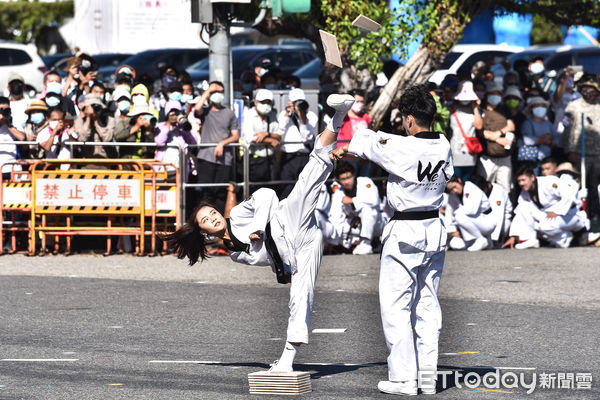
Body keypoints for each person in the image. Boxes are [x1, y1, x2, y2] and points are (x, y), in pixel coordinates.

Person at [159, 93, 356, 373]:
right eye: (206, 219)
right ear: (204, 232)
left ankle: (339, 114)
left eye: (212, 212)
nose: (214, 216)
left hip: (287, 218)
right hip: (302, 247)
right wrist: (282, 269)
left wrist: (257, 227)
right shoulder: (236, 255)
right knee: (300, 298)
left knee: (311, 172)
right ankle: (287, 361)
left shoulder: (238, 216)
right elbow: (271, 256)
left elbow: (266, 195)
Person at [331, 85, 453, 395]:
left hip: (405, 232)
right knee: (427, 305)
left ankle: (403, 379)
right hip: (433, 228)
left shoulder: (402, 146)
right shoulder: (443, 144)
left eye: (403, 119)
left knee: (396, 305)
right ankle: (427, 377)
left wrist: (341, 113)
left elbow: (363, 140)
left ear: (410, 120)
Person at [502, 166, 586, 249]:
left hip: (571, 215)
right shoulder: (524, 194)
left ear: (532, 177)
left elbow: (568, 193)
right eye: (519, 181)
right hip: (551, 218)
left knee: (544, 226)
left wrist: (558, 211)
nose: (521, 184)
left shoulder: (549, 182)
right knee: (525, 209)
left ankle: (564, 238)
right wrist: (513, 235)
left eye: (523, 180)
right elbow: (520, 214)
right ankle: (530, 239)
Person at [193, 81, 240, 213]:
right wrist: (208, 91)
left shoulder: (229, 113)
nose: (217, 95)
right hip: (206, 158)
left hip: (224, 159)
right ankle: (204, 222)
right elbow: (197, 109)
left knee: (220, 193)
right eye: (214, 92)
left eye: (219, 92)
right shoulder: (205, 112)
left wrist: (222, 143)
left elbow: (235, 135)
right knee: (206, 193)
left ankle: (217, 224)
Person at [563, 75, 600, 225]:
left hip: (598, 153)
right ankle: (581, 217)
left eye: (592, 89)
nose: (588, 92)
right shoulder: (573, 106)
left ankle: (596, 215)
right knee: (581, 186)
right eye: (585, 89)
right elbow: (567, 130)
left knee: (595, 186)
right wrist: (569, 149)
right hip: (580, 153)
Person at [329, 161, 383, 255]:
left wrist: (352, 200)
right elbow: (335, 216)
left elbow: (373, 201)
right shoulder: (339, 192)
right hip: (356, 223)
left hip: (377, 222)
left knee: (368, 210)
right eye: (343, 179)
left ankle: (366, 243)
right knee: (339, 224)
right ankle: (362, 244)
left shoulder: (365, 181)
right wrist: (334, 240)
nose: (347, 181)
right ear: (339, 180)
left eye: (349, 177)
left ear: (354, 175)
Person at [278, 88, 318, 198]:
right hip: (288, 155)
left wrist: (302, 118)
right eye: (296, 102)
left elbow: (307, 137)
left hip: (304, 155)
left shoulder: (311, 116)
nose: (298, 105)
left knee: (306, 186)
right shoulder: (283, 115)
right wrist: (288, 113)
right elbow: (280, 130)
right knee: (287, 187)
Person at [476, 81, 515, 192]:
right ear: (487, 94)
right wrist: (498, 139)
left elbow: (511, 126)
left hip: (504, 156)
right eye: (493, 93)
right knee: (484, 188)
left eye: (498, 94)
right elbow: (479, 131)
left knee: (505, 188)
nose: (496, 96)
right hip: (487, 157)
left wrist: (499, 133)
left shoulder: (504, 109)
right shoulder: (480, 109)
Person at [241, 88, 280, 186]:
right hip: (255, 159)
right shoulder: (249, 115)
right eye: (263, 102)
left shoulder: (272, 115)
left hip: (270, 158)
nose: (266, 105)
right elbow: (252, 138)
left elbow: (278, 135)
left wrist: (267, 134)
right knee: (255, 189)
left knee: (271, 187)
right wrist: (271, 140)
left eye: (269, 102)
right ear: (255, 103)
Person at [448, 80, 482, 180]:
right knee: (456, 182)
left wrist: (476, 108)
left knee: (467, 183)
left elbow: (479, 126)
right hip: (454, 154)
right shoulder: (450, 109)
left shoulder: (475, 111)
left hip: (470, 154)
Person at [154, 101, 197, 181]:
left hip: (180, 168)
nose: (174, 116)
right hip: (163, 168)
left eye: (177, 113)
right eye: (172, 114)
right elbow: (159, 142)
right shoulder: (161, 126)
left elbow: (193, 142)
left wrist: (184, 127)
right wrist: (168, 125)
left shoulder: (182, 128)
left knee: (179, 192)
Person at [337, 89, 373, 176]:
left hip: (364, 157)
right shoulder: (343, 118)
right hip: (349, 157)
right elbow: (338, 137)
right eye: (357, 101)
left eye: (362, 102)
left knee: (364, 181)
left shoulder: (366, 117)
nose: (360, 104)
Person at [73, 94, 117, 160]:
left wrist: (97, 121)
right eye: (92, 107)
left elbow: (107, 138)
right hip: (86, 162)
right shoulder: (79, 121)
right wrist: (88, 118)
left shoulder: (109, 120)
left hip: (105, 161)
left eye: (97, 107)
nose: (95, 109)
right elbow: (82, 139)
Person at [519, 96, 557, 172]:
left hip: (546, 160)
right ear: (531, 109)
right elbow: (528, 141)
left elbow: (556, 141)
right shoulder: (527, 123)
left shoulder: (548, 124)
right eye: (537, 106)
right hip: (532, 161)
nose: (540, 108)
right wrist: (545, 139)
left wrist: (549, 141)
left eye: (543, 106)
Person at [0, 97, 25, 179]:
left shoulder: (14, 122)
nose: (3, 113)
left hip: (12, 168)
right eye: (1, 110)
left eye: (6, 110)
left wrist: (8, 124)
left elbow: (22, 137)